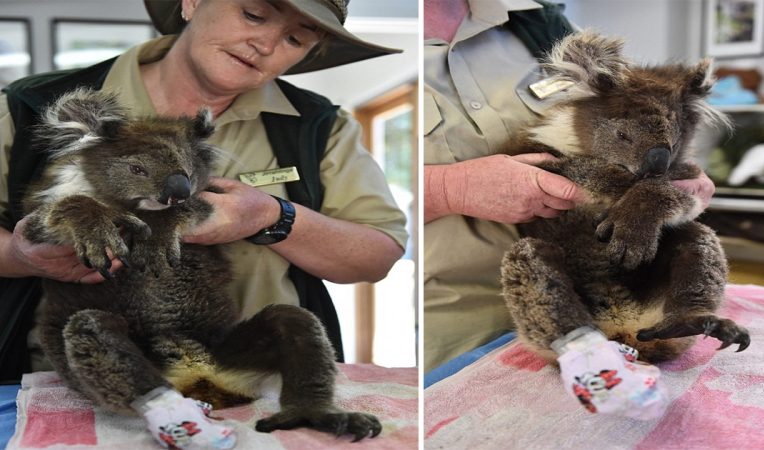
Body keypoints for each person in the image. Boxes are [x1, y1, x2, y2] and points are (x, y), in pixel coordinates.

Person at [0, 0, 408, 382]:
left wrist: (272, 217)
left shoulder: (318, 127)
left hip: (249, 373)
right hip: (75, 377)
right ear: (192, 1)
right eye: (253, 13)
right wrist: (21, 256)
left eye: (295, 39)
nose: (264, 45)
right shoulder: (35, 106)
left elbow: (377, 254)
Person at [423, 0, 716, 372]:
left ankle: (688, 314)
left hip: (638, 293)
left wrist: (684, 186)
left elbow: (639, 109)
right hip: (463, 320)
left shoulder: (537, 21)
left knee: (698, 239)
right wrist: (451, 189)